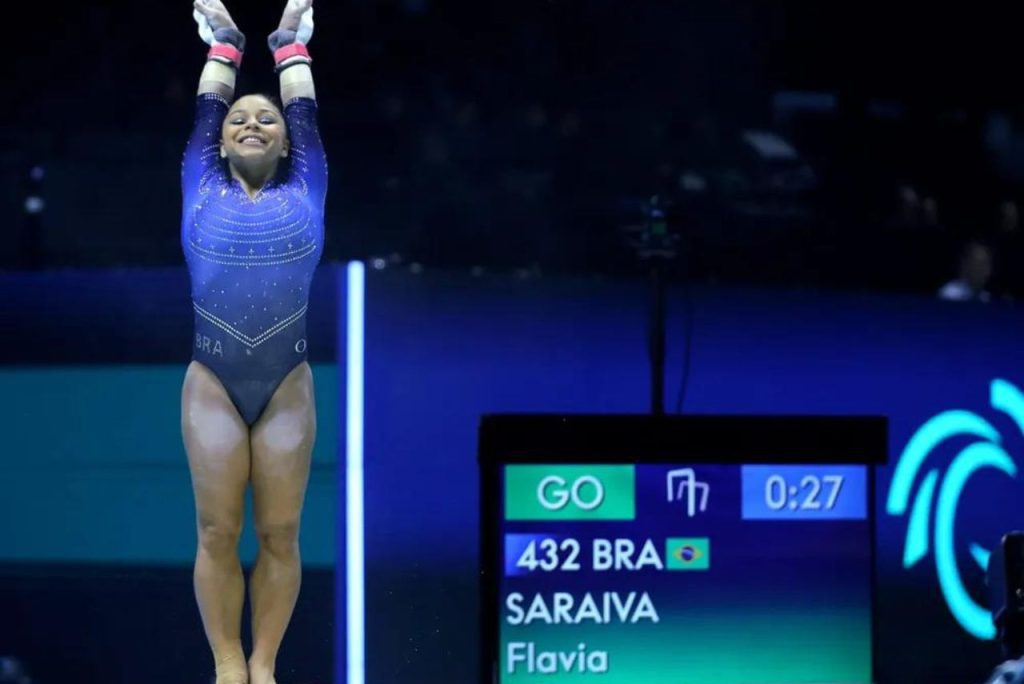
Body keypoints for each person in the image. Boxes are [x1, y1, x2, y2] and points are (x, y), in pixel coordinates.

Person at [180, 1, 327, 682]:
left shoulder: (308, 185)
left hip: (284, 385)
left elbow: (307, 114)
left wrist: (292, 48)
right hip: (212, 379)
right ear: (220, 142)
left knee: (279, 534)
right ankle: (226, 663)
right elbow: (209, 107)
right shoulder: (199, 182)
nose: (251, 123)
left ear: (288, 143)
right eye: (239, 118)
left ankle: (264, 665)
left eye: (267, 118)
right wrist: (227, 48)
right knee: (216, 531)